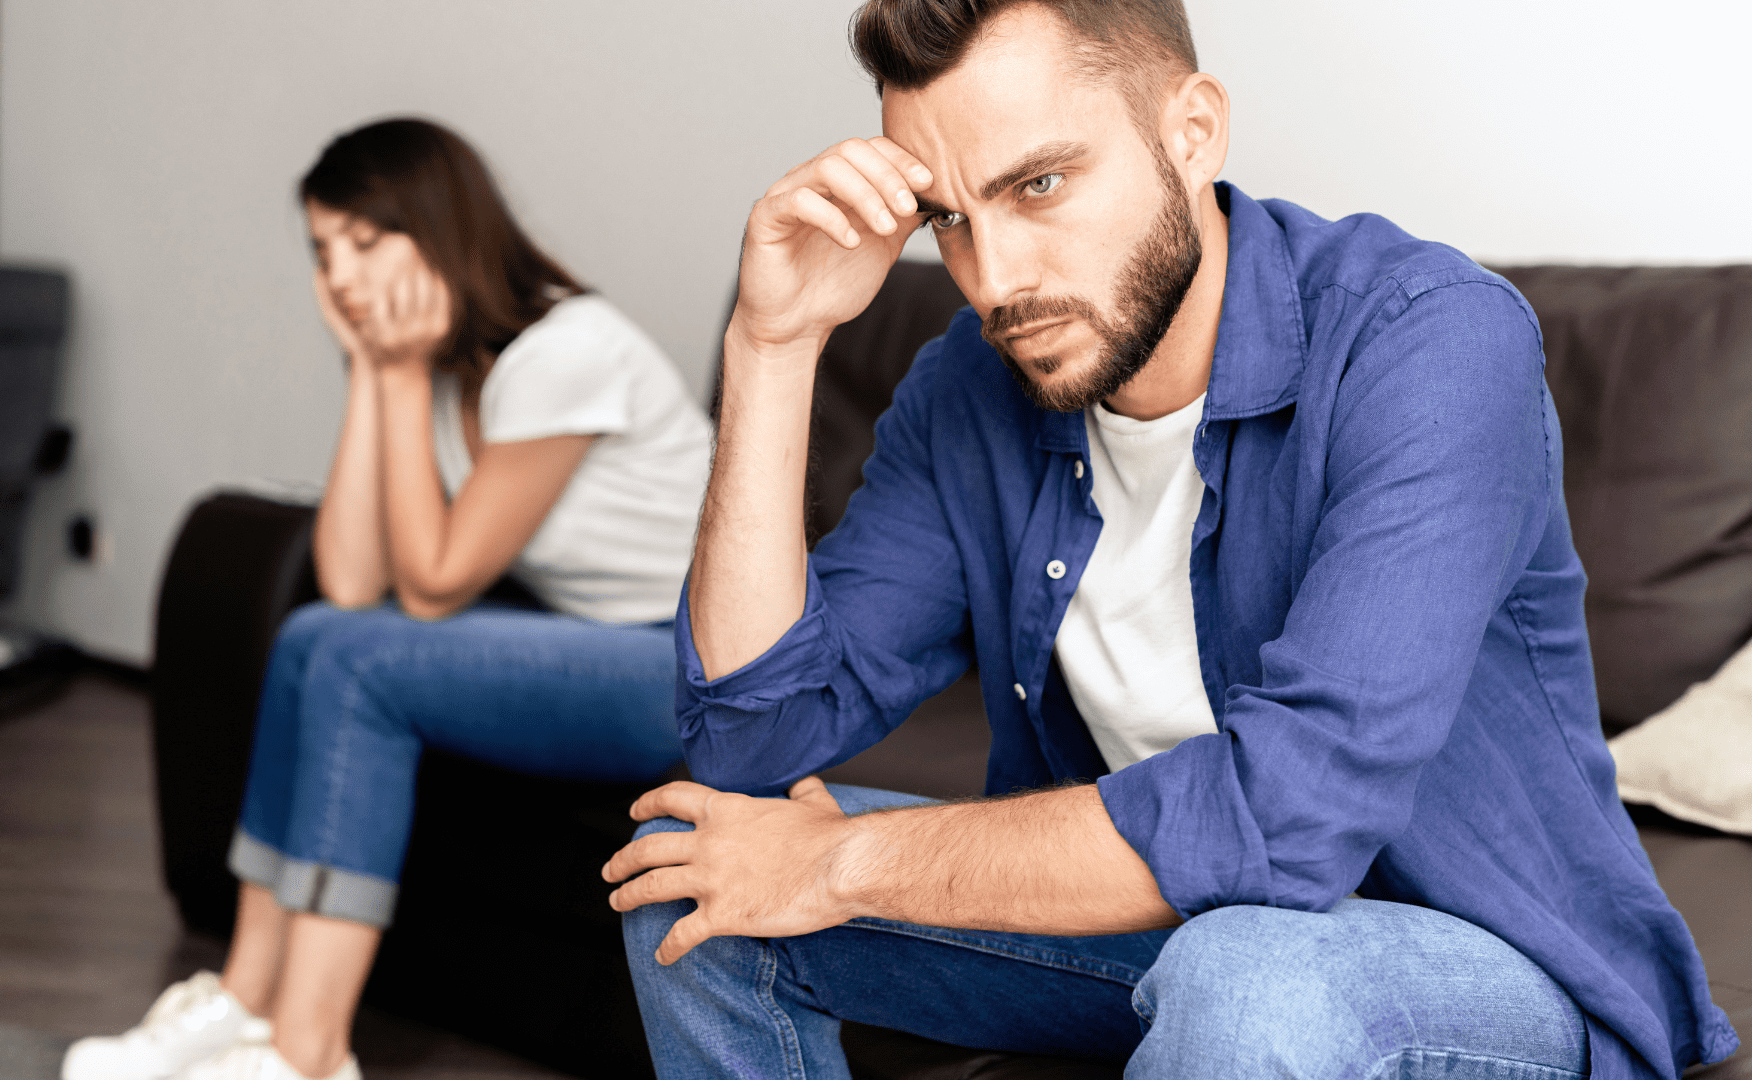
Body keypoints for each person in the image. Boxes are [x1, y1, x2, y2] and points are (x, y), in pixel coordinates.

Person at [602, 3, 1738, 1078]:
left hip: (1482, 960)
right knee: (694, 882)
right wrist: (773, 343)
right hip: (1179, 925)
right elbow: (749, 742)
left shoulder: (1429, 340)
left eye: (1039, 184)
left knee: (1248, 974)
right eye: (949, 218)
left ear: (1192, 131)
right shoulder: (971, 388)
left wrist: (845, 862)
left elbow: (1290, 813)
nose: (995, 280)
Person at [64, 118, 711, 1080]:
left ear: (441, 228)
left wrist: (397, 372)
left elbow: (435, 582)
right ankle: (245, 997)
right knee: (313, 636)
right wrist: (372, 372)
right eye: (324, 251)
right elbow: (351, 581)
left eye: (366, 243)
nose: (341, 278)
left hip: (693, 669)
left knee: (360, 660)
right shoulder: (439, 369)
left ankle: (310, 1054)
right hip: (590, 642)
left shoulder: (564, 352)